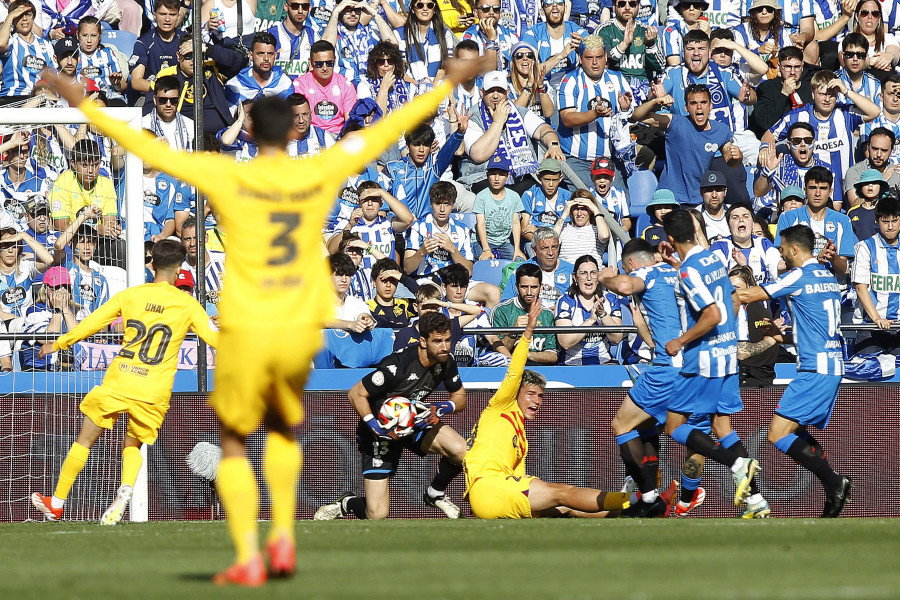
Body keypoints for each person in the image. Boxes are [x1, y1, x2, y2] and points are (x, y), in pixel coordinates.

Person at [42, 53, 492, 584]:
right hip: (295, 327)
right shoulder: (317, 170)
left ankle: (249, 554)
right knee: (282, 431)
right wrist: (450, 82)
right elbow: (386, 128)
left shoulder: (226, 174)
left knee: (234, 442)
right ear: (294, 130)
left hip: (249, 326)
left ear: (250, 129)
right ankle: (282, 539)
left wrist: (79, 100)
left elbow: (144, 147)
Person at [30, 240, 217, 525]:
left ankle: (56, 503)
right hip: (154, 389)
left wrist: (59, 343)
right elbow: (216, 340)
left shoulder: (130, 296)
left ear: (151, 264)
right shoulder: (188, 305)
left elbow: (92, 323)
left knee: (84, 440)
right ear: (180, 271)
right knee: (132, 444)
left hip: (121, 380)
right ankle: (126, 488)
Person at [465, 297, 630, 518]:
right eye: (531, 394)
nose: (536, 401)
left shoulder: (520, 436)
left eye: (540, 396)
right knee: (562, 492)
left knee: (565, 506)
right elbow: (515, 371)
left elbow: (518, 476)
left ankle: (630, 511)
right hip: (489, 488)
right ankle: (630, 500)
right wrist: (529, 331)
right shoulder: (500, 406)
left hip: (498, 495)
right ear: (516, 393)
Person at [736, 224, 852, 518]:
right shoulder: (827, 277)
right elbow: (815, 323)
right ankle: (833, 487)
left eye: (783, 248)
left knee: (777, 434)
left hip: (815, 369)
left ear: (795, 249)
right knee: (794, 430)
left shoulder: (798, 275)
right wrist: (783, 336)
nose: (781, 254)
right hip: (830, 363)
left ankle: (834, 481)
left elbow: (751, 296)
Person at [314, 311, 469, 520]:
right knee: (377, 515)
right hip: (380, 432)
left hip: (414, 423)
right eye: (438, 341)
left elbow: (459, 396)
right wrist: (376, 426)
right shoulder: (397, 365)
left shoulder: (445, 360)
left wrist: (443, 408)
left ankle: (435, 493)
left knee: (462, 451)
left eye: (448, 340)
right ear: (423, 341)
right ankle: (348, 503)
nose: (444, 346)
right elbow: (356, 393)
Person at [658, 209, 759, 510]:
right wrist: (677, 262)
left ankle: (738, 464)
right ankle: (756, 499)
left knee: (674, 426)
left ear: (671, 238)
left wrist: (680, 340)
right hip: (727, 356)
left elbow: (712, 314)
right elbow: (722, 296)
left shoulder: (689, 271)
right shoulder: (713, 257)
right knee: (721, 426)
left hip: (702, 359)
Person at [599, 238, 682, 517]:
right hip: (691, 365)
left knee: (621, 425)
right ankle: (656, 494)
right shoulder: (679, 270)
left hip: (665, 367)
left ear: (631, 264)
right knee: (646, 428)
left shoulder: (645, 273)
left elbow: (623, 286)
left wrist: (605, 278)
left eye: (626, 268)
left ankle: (649, 498)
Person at [762, 70, 881, 206]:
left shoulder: (845, 113)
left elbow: (875, 111)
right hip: (814, 188)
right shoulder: (797, 116)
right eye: (823, 94)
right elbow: (770, 134)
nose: (827, 99)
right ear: (813, 94)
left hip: (844, 185)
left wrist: (846, 91)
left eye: (832, 95)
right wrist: (764, 148)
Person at [632, 83, 743, 206]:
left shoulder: (721, 130)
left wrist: (738, 157)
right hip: (671, 200)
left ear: (711, 105)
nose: (699, 107)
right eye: (693, 103)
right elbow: (637, 115)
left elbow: (731, 161)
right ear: (686, 107)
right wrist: (655, 102)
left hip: (699, 200)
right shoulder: (675, 123)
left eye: (704, 102)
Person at [462, 70, 564, 195]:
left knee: (540, 192)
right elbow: (479, 154)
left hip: (520, 178)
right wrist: (498, 123)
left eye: (500, 91)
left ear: (507, 93)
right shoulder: (473, 116)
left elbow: (544, 129)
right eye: (490, 91)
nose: (495, 95)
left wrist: (553, 145)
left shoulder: (519, 112)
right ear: (482, 93)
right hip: (485, 178)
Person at [556, 35, 633, 191]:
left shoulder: (618, 79)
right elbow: (567, 119)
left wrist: (629, 108)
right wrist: (594, 114)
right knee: (585, 207)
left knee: (620, 207)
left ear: (605, 57)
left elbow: (632, 115)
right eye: (589, 58)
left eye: (599, 57)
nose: (595, 62)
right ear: (580, 58)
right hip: (578, 161)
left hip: (612, 160)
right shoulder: (569, 81)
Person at [774, 166, 856, 277]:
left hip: (833, 287)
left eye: (823, 188)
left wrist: (833, 257)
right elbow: (784, 261)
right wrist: (816, 260)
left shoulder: (843, 220)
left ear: (830, 191)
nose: (817, 193)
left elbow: (844, 270)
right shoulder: (788, 218)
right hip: (800, 287)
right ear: (805, 190)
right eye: (812, 188)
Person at [851, 195, 900, 355]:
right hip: (870, 326)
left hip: (898, 327)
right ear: (877, 221)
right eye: (885, 222)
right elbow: (860, 287)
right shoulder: (865, 247)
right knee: (869, 378)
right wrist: (877, 318)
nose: (891, 226)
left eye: (895, 221)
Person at [555, 254, 622, 365]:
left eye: (593, 273)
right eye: (583, 273)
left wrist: (603, 314)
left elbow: (617, 338)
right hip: (571, 364)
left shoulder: (610, 299)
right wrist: (590, 321)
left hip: (603, 362)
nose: (589, 278)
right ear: (575, 277)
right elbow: (565, 341)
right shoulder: (565, 301)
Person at [492, 262, 557, 364]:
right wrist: (513, 331)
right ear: (517, 287)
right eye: (524, 287)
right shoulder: (501, 311)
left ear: (541, 287)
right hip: (509, 369)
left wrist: (524, 353)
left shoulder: (547, 315)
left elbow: (553, 355)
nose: (529, 292)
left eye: (534, 287)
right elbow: (497, 353)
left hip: (540, 370)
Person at [747, 46, 821, 138]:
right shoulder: (766, 88)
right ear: (778, 67)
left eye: (797, 67)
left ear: (802, 66)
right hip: (776, 140)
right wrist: (784, 94)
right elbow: (764, 123)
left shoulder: (810, 88)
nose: (793, 72)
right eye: (788, 67)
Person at [405, 181, 474, 277]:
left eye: (447, 204)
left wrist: (452, 249)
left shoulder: (463, 230)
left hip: (455, 282)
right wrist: (422, 252)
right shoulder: (418, 227)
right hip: (426, 280)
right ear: (431, 203)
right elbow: (407, 269)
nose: (442, 209)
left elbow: (469, 271)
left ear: (453, 205)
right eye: (438, 203)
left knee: (492, 290)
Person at [292, 39, 357, 135]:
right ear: (311, 63)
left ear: (335, 61)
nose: (325, 68)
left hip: (338, 137)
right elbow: (299, 121)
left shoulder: (346, 85)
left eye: (329, 63)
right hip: (310, 136)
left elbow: (349, 122)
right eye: (319, 64)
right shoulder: (300, 85)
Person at [754, 121, 828, 204]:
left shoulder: (826, 169)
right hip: (784, 214)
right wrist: (767, 171)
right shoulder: (778, 166)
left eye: (807, 140)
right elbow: (758, 192)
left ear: (813, 143)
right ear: (789, 145)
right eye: (797, 141)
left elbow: (835, 205)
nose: (803, 144)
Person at [710, 202, 784, 285]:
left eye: (746, 216)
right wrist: (739, 267)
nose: (741, 220)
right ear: (729, 225)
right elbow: (715, 277)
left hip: (761, 296)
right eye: (735, 217)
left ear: (752, 224)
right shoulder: (720, 246)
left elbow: (777, 266)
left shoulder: (763, 243)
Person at [499, 226, 574, 308]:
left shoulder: (571, 270)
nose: (550, 252)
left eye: (554, 247)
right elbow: (505, 304)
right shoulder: (522, 270)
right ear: (534, 250)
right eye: (544, 248)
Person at [323, 0, 394, 85]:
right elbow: (324, 49)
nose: (353, 14)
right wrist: (335, 13)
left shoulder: (371, 32)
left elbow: (393, 45)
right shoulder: (331, 32)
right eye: (347, 9)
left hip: (372, 86)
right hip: (344, 87)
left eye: (356, 10)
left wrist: (374, 13)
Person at [520, 0, 585, 87]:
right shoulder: (533, 34)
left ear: (565, 8)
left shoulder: (578, 31)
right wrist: (561, 56)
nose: (554, 5)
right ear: (542, 11)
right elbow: (530, 73)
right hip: (543, 91)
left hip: (573, 89)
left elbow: (597, 59)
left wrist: (583, 48)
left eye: (559, 2)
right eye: (549, 2)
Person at [473, 155, 527, 260]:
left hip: (503, 242)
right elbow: (481, 223)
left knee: (518, 261)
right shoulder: (481, 196)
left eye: (501, 175)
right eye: (493, 174)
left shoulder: (514, 196)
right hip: (483, 241)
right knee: (485, 261)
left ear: (507, 176)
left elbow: (515, 223)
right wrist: (486, 249)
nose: (497, 179)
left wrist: (517, 248)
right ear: (487, 175)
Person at [0, 1, 55, 102]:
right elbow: (1, 44)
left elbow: (53, 73)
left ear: (33, 18)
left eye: (28, 14)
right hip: (13, 98)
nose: (24, 18)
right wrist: (10, 17)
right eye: (19, 15)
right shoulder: (10, 41)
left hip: (39, 98)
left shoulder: (46, 45)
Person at [129, 0, 183, 98]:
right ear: (155, 15)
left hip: (181, 96)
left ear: (178, 16)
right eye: (162, 14)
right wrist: (164, 92)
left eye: (172, 15)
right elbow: (136, 82)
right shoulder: (144, 42)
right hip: (151, 95)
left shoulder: (186, 41)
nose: (167, 19)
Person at [226, 32, 295, 102]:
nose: (266, 58)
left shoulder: (284, 84)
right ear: (251, 56)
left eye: (270, 54)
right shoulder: (235, 84)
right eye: (261, 53)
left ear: (275, 56)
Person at [75, 17, 127, 106]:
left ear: (100, 36)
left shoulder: (108, 53)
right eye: (85, 35)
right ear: (77, 35)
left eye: (94, 35)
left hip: (109, 97)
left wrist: (117, 83)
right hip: (82, 99)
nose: (89, 41)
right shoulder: (72, 55)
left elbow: (123, 88)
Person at [520, 158, 572, 244]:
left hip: (560, 241)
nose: (551, 185)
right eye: (547, 180)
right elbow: (524, 229)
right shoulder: (530, 195)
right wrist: (544, 243)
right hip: (535, 241)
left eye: (554, 180)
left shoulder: (567, 197)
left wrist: (539, 232)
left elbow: (567, 229)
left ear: (561, 178)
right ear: (539, 177)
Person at [845, 127, 900, 207]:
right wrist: (880, 181)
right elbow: (854, 204)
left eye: (884, 150)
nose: (878, 154)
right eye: (875, 149)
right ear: (868, 147)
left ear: (891, 151)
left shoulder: (896, 171)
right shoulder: (855, 171)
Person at [553, 190, 610, 265]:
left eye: (583, 209)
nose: (579, 214)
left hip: (590, 273)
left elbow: (604, 236)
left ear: (590, 210)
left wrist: (595, 209)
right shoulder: (564, 228)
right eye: (576, 209)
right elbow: (551, 240)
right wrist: (565, 213)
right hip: (567, 273)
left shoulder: (598, 229)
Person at [142, 75, 195, 152]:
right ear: (155, 100)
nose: (168, 104)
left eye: (173, 100)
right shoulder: (142, 124)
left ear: (179, 100)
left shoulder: (191, 126)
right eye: (163, 100)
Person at [268, 0, 319, 77]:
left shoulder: (313, 36)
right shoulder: (271, 35)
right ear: (286, 7)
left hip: (302, 88)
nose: (300, 11)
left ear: (310, 8)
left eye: (305, 7)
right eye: (295, 6)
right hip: (277, 88)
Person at [847, 169, 888, 242]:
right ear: (860, 188)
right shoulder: (852, 212)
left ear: (881, 187)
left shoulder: (887, 210)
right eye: (866, 183)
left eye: (875, 183)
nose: (870, 186)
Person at [698, 170, 728, 241]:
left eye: (718, 190)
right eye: (709, 190)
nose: (714, 195)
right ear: (701, 192)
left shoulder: (735, 212)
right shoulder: (694, 216)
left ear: (725, 191)